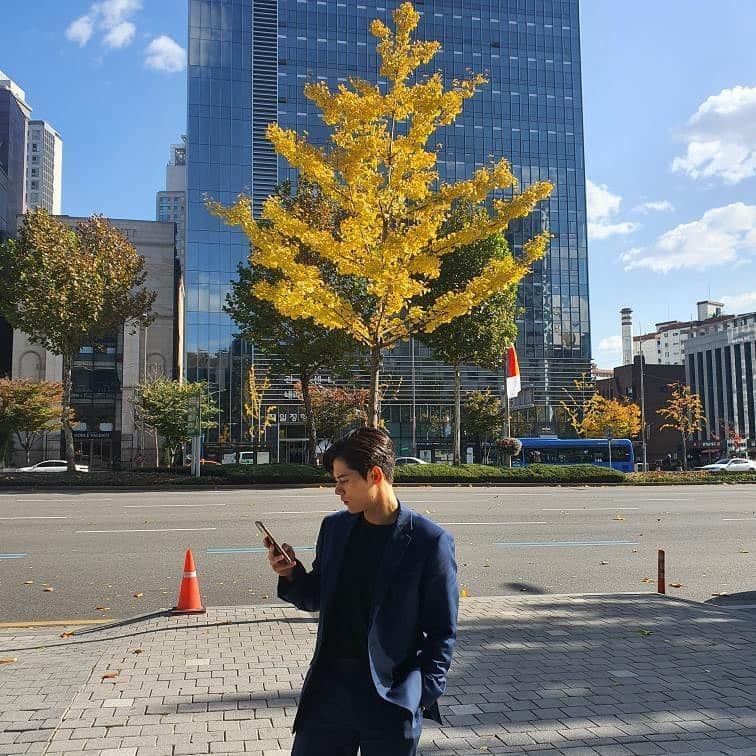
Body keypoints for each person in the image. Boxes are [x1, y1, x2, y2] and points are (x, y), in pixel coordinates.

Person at [263, 427, 458, 756]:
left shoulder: (429, 541)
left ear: (375, 475)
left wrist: (421, 694)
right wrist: (292, 574)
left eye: (344, 480)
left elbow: (442, 630)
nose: (337, 490)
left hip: (390, 699)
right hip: (329, 693)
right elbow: (317, 595)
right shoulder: (335, 528)